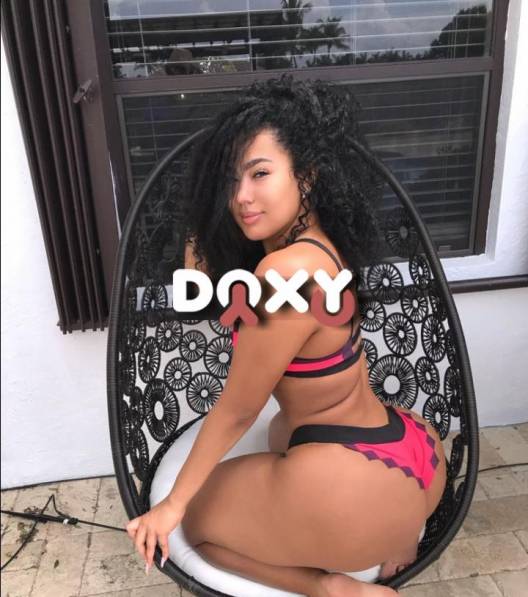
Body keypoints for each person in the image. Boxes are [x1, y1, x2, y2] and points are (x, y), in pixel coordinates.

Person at [126, 75, 447, 597]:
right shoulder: (323, 244)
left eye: (260, 173)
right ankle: (394, 532)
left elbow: (237, 410)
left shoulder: (282, 275)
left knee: (196, 526)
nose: (241, 197)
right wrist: (206, 213)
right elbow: (202, 288)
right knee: (282, 430)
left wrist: (171, 505)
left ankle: (328, 587)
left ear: (307, 175)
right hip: (412, 458)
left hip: (351, 495)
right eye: (229, 181)